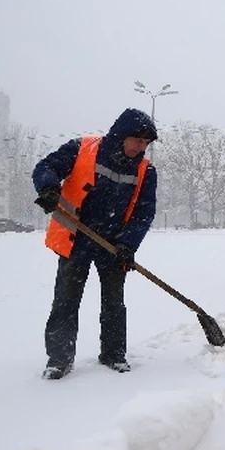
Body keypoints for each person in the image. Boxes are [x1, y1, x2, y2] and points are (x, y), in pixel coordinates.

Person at [32, 108, 158, 379]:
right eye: (137, 140)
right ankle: (59, 360)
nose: (141, 147)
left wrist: (128, 244)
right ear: (121, 135)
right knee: (66, 300)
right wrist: (48, 187)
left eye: (146, 143)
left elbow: (144, 212)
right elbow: (46, 167)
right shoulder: (82, 149)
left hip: (112, 244)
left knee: (114, 302)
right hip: (76, 238)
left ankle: (113, 354)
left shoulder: (146, 170)